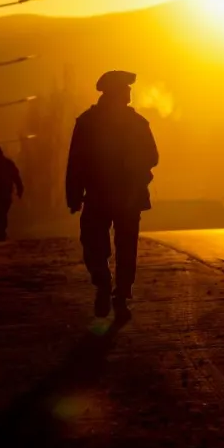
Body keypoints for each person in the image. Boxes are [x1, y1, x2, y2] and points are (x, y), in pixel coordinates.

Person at [66, 70, 159, 317]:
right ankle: (110, 287)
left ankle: (116, 291)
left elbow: (152, 156)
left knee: (112, 245)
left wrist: (74, 195)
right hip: (108, 195)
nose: (129, 92)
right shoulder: (92, 122)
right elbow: (77, 160)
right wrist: (74, 193)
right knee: (106, 244)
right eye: (125, 89)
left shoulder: (98, 122)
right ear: (114, 92)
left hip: (116, 196)